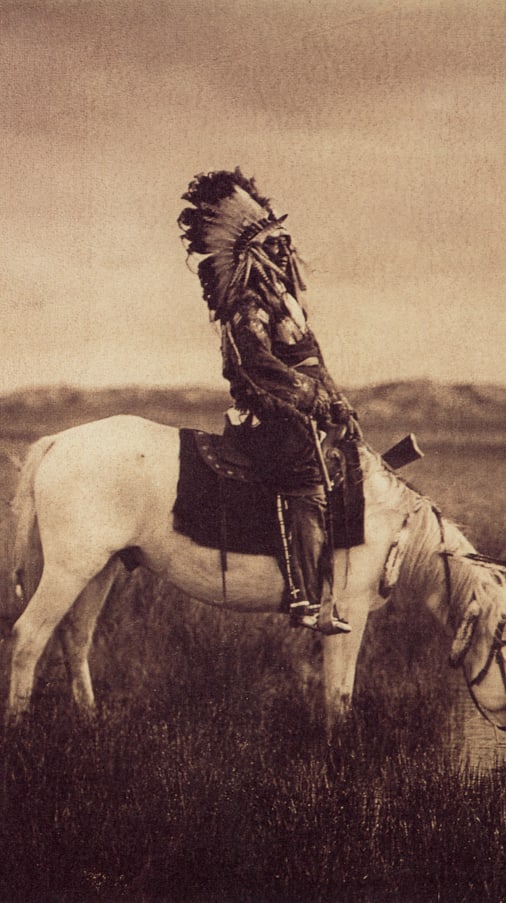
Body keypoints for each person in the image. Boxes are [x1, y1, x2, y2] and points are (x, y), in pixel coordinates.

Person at [178, 168, 356, 634]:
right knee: (306, 478)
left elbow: (312, 360)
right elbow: (254, 367)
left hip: (302, 410)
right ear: (254, 253)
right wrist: (311, 399)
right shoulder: (247, 305)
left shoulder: (286, 302)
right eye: (273, 244)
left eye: (284, 241)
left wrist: (338, 403)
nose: (284, 249)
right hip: (269, 418)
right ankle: (307, 599)